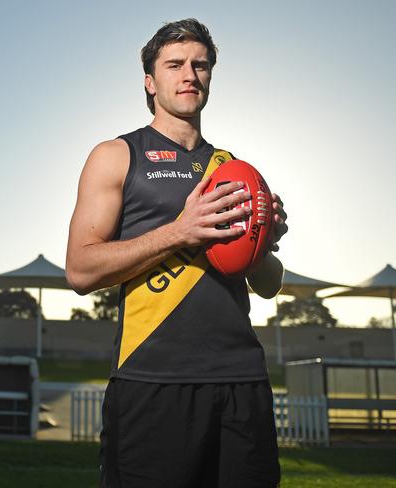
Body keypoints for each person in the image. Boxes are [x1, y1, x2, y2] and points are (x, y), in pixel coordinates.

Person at [66, 18, 287, 488]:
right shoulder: (117, 155)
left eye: (200, 65)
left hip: (242, 380)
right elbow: (80, 269)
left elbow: (268, 285)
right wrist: (178, 232)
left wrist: (264, 245)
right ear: (150, 81)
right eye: (175, 65)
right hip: (154, 379)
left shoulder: (235, 169)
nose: (190, 74)